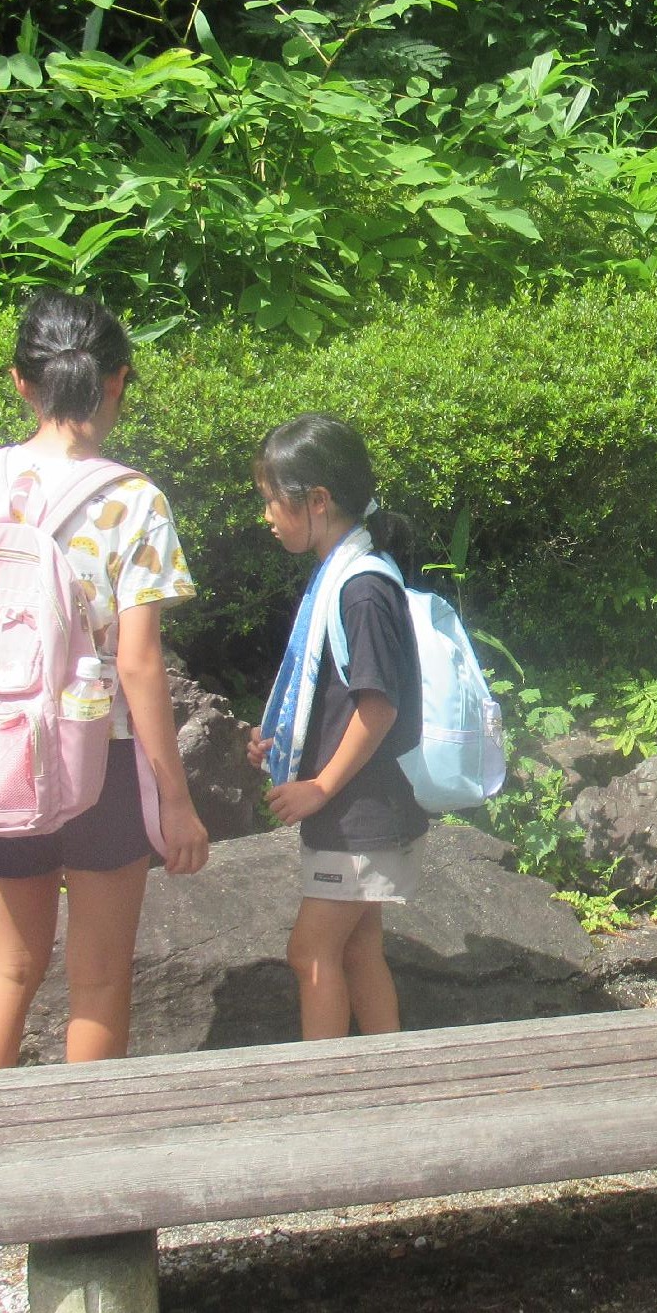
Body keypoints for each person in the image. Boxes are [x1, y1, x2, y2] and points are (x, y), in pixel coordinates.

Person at [0, 291, 210, 1074]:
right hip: (103, 752)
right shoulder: (135, 500)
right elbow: (138, 662)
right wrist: (175, 799)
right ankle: (86, 1137)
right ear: (117, 381)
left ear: (20, 382)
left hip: (4, 747)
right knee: (98, 977)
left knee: (9, 962)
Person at [247, 413, 428, 1040]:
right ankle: (387, 1073)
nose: (267, 515)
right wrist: (283, 743)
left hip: (357, 812)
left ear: (317, 500)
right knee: (356, 950)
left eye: (272, 499)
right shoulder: (345, 578)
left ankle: (322, 1087)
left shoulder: (361, 589)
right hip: (357, 810)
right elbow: (333, 696)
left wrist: (320, 785)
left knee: (311, 953)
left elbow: (379, 707)